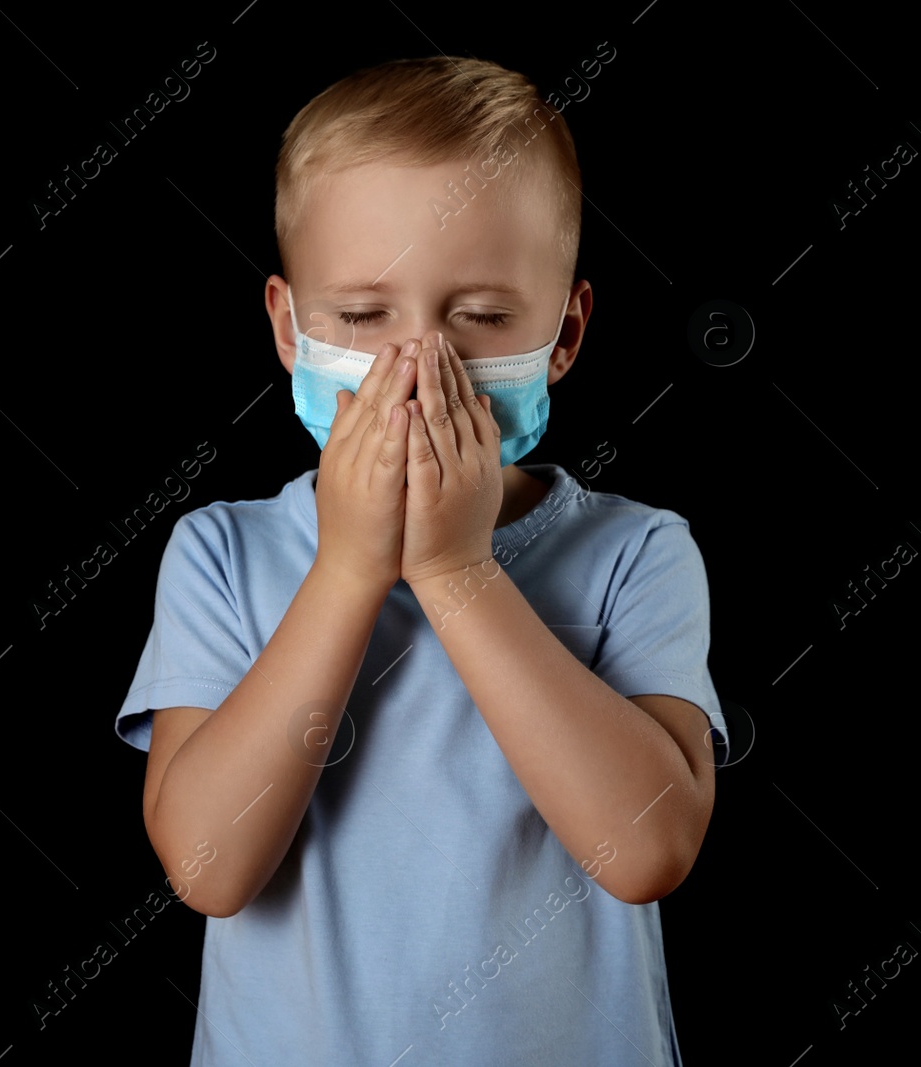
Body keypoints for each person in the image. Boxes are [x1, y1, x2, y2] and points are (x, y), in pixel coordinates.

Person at [114, 56, 729, 1066]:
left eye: (480, 318)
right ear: (287, 326)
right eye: (362, 317)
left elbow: (651, 850)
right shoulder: (220, 553)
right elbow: (209, 866)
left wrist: (455, 571)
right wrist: (350, 569)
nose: (417, 367)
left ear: (565, 332)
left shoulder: (635, 552)